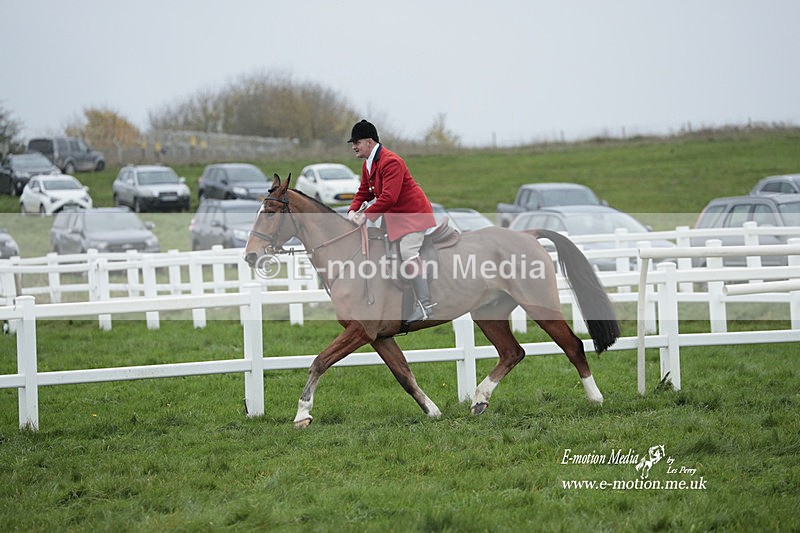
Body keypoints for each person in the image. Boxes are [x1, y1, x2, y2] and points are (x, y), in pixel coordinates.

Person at [346, 119, 437, 324]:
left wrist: (365, 215)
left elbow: (389, 197)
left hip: (413, 216)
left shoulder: (391, 161)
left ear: (369, 142)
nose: (353, 147)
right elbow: (363, 192)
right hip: (394, 219)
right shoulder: (368, 164)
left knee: (407, 251)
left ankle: (425, 305)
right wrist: (352, 210)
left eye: (357, 142)